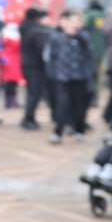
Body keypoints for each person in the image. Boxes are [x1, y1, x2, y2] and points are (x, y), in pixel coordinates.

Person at [44, 10, 95, 144]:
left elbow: (89, 54)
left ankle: (79, 130)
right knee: (62, 104)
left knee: (79, 106)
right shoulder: (57, 37)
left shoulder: (84, 36)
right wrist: (53, 74)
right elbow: (51, 57)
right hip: (63, 78)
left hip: (80, 77)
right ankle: (58, 131)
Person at [18, 6, 51, 130]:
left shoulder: (24, 27)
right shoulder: (37, 31)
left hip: (26, 64)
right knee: (34, 94)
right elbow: (42, 51)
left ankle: (29, 117)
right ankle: (28, 118)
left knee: (31, 93)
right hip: (35, 67)